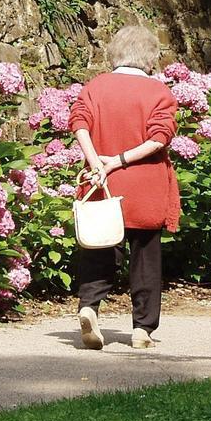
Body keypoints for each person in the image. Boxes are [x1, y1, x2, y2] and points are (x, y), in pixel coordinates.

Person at [70, 25, 180, 350]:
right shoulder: (160, 92)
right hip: (145, 185)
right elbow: (159, 138)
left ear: (115, 53)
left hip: (103, 185)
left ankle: (89, 307)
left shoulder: (95, 87)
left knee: (100, 251)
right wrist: (119, 159)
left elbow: (79, 123)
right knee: (145, 257)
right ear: (150, 57)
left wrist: (97, 164)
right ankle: (142, 330)